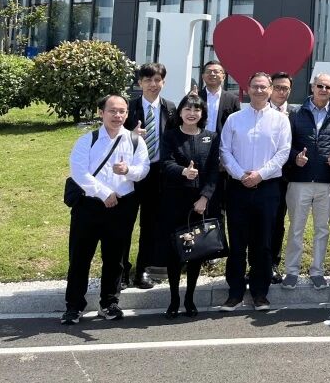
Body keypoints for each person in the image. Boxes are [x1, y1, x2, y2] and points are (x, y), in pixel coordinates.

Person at [61, 94, 150, 325]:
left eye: (122, 111)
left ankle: (109, 302)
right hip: (88, 207)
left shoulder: (135, 141)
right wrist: (104, 193)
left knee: (115, 258)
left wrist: (128, 171)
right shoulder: (87, 140)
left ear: (127, 114)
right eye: (112, 111)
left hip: (123, 206)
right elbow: (79, 172)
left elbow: (143, 169)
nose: (117, 115)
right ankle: (74, 306)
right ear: (101, 113)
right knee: (80, 257)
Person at [218, 72, 291, 312]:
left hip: (267, 187)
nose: (259, 91)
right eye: (255, 87)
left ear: (270, 90)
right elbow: (224, 150)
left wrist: (259, 175)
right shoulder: (235, 119)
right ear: (247, 89)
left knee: (264, 242)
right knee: (238, 242)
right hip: (238, 188)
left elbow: (283, 153)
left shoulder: (280, 121)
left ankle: (260, 293)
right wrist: (241, 175)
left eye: (263, 87)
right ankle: (235, 293)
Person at [281, 73, 330, 291]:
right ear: (312, 87)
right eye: (320, 86)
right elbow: (286, 144)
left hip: (327, 182)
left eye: (328, 87)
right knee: (296, 229)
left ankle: (317, 272)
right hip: (299, 180)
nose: (323, 90)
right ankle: (291, 271)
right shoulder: (295, 112)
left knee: (322, 229)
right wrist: (295, 158)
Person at [158, 93, 220, 319]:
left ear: (203, 113)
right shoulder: (171, 136)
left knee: (197, 252)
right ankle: (174, 299)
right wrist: (183, 171)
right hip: (175, 202)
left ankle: (190, 299)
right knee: (175, 252)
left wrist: (205, 198)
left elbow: (213, 171)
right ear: (180, 112)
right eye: (187, 109)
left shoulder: (211, 137)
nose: (192, 113)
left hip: (200, 204)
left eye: (196, 109)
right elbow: (165, 163)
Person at [122, 62, 176, 290]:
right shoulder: (128, 108)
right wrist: (130, 136)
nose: (153, 84)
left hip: (157, 174)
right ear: (140, 83)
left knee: (150, 224)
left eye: (157, 80)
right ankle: (121, 271)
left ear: (163, 82)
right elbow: (113, 137)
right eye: (147, 80)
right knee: (124, 223)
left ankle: (143, 270)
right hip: (130, 174)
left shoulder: (170, 108)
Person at [267, 71, 299, 284]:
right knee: (260, 222)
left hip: (287, 177)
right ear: (270, 88)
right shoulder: (259, 111)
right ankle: (256, 264)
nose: (281, 92)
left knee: (278, 221)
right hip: (262, 176)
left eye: (285, 88)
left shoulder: (296, 114)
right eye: (277, 87)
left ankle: (272, 263)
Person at [199, 60, 241, 135]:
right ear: (203, 76)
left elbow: (237, 124)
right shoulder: (196, 97)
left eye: (216, 71)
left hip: (222, 141)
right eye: (208, 71)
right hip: (198, 140)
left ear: (223, 76)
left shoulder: (232, 99)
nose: (212, 74)